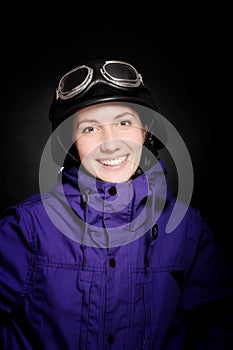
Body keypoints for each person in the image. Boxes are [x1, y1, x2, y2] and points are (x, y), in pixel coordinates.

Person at [0, 59, 233, 350]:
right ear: (69, 143)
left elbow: (220, 326)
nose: (110, 144)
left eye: (123, 122)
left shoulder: (187, 228)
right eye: (89, 129)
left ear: (145, 131)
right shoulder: (27, 228)